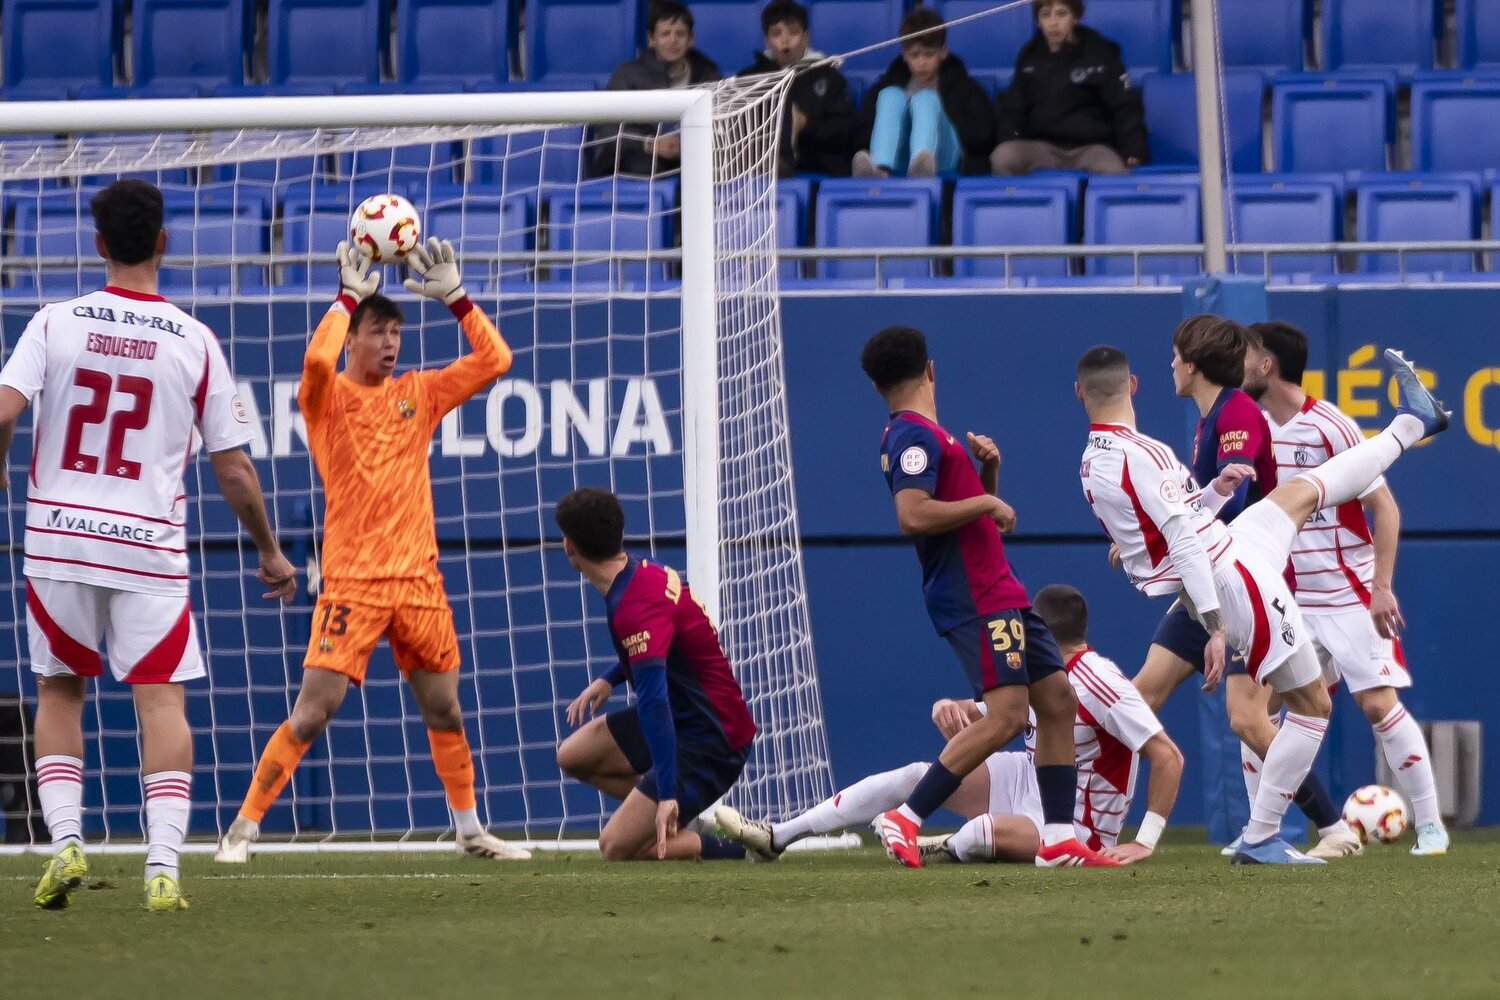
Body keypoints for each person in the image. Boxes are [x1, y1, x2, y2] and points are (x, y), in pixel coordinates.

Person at [0, 179, 297, 911]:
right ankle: (162, 868)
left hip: (60, 540)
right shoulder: (194, 340)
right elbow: (234, 470)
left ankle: (67, 842)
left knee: (59, 690)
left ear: (98, 245)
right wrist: (268, 549)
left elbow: (2, 412)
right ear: (164, 243)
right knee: (161, 702)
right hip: (148, 550)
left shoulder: (53, 322)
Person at [215, 239, 529, 863]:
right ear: (352, 338)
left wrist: (458, 300)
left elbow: (496, 361)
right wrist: (344, 300)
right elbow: (312, 365)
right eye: (377, 331)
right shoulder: (326, 399)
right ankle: (241, 832)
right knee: (312, 712)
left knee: (445, 710)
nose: (389, 343)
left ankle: (469, 830)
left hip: (419, 583)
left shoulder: (421, 392)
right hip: (353, 584)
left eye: (396, 332)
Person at [1075, 342, 1449, 864]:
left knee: (1302, 492)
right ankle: (1262, 834)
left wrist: (1214, 494)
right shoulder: (1147, 452)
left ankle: (1413, 423)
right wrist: (1216, 625)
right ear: (1132, 386)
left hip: (1230, 549)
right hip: (1234, 577)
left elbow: (1172, 529)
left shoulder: (1093, 463)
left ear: (1079, 394)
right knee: (1312, 706)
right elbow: (1182, 541)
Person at [859, 326, 1113, 869]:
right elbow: (912, 516)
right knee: (1006, 716)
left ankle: (1059, 839)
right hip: (976, 597)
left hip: (1002, 589)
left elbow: (974, 529)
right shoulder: (911, 436)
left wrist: (987, 479)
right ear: (931, 370)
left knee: (1057, 703)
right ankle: (906, 816)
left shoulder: (936, 437)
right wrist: (984, 504)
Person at [714, 584, 1183, 866]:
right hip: (1028, 776)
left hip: (1080, 823)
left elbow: (1167, 755)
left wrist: (1144, 841)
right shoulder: (1040, 673)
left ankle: (943, 846)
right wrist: (952, 706)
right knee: (917, 778)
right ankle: (779, 835)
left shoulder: (1100, 679)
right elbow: (985, 716)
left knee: (982, 833)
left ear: (1037, 628)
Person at [1131, 316, 1361, 861]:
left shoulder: (1236, 414)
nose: (1169, 365)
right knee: (1140, 697)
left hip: (1246, 585)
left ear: (1191, 363)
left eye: (1173, 356)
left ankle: (1331, 829)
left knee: (1246, 718)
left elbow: (1233, 496)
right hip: (1207, 582)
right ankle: (1078, 823)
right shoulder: (1210, 417)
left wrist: (1172, 524)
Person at [1244, 321, 1449, 857]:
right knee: (1256, 713)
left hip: (1348, 592)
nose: (1238, 363)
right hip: (1291, 597)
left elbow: (1384, 507)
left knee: (1378, 705)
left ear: (1268, 363)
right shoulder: (1252, 430)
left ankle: (1431, 827)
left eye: (1246, 354)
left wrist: (1382, 586)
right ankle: (1260, 831)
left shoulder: (1331, 425)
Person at [553, 488, 757, 862]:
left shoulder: (634, 607)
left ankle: (728, 851)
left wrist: (665, 794)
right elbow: (664, 648)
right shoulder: (641, 572)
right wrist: (610, 678)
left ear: (570, 546)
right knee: (573, 755)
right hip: (686, 716)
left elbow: (654, 702)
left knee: (614, 847)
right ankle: (664, 814)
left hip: (712, 737)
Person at [991, 0, 1148, 176]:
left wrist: (1133, 149)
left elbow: (1125, 105)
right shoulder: (1029, 56)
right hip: (1043, 148)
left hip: (1092, 148)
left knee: (1115, 172)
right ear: (1037, 21)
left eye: (1061, 14)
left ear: (1076, 18)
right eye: (1045, 15)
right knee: (1003, 157)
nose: (1053, 22)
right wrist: (1008, 139)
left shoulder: (1101, 52)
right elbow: (1013, 108)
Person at [852, 7, 996, 178]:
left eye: (929, 55)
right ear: (904, 55)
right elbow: (863, 128)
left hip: (945, 157)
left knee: (925, 98)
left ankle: (922, 166)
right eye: (915, 55)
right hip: (901, 157)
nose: (921, 62)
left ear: (943, 52)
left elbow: (983, 134)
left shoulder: (963, 85)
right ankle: (880, 168)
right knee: (890, 95)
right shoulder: (890, 81)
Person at [595, 0, 723, 176]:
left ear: (691, 39)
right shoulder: (628, 74)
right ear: (651, 39)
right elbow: (607, 126)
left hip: (691, 155)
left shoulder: (708, 73)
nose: (673, 40)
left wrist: (686, 143)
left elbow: (722, 121)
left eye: (680, 34)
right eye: (665, 34)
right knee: (643, 167)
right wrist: (649, 143)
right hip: (640, 156)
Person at [738, 0, 856, 177]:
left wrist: (806, 125)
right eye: (776, 34)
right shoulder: (749, 78)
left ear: (806, 37)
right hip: (757, 165)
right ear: (767, 41)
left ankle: (780, 163)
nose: (785, 40)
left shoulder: (830, 77)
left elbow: (845, 131)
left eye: (793, 33)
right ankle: (773, 162)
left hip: (817, 163)